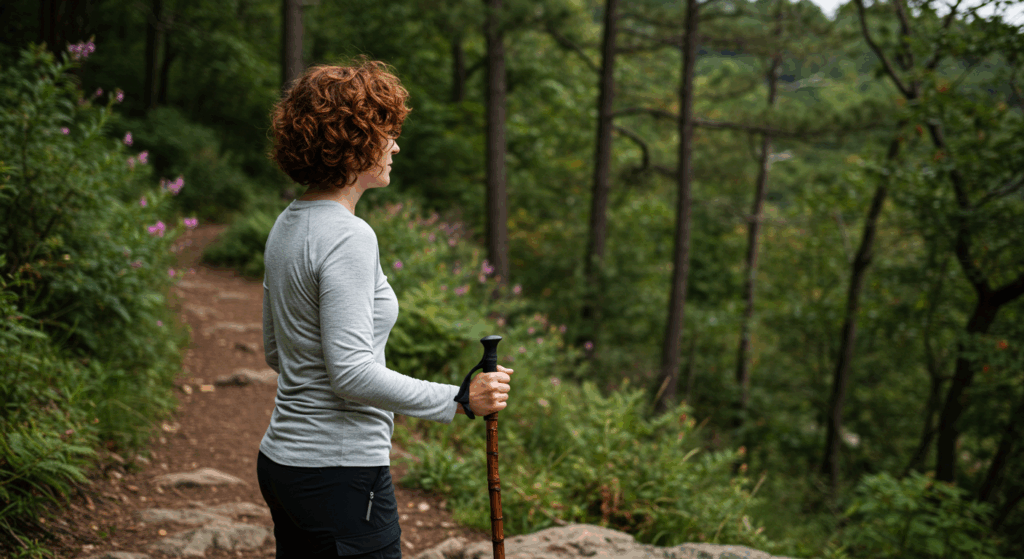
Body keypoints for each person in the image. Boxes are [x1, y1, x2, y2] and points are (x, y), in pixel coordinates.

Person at [256, 59, 514, 559]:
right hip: (340, 475)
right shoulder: (348, 236)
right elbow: (351, 374)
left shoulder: (287, 224)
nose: (395, 145)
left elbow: (275, 351)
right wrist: (460, 399)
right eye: (386, 133)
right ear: (352, 142)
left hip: (284, 466)